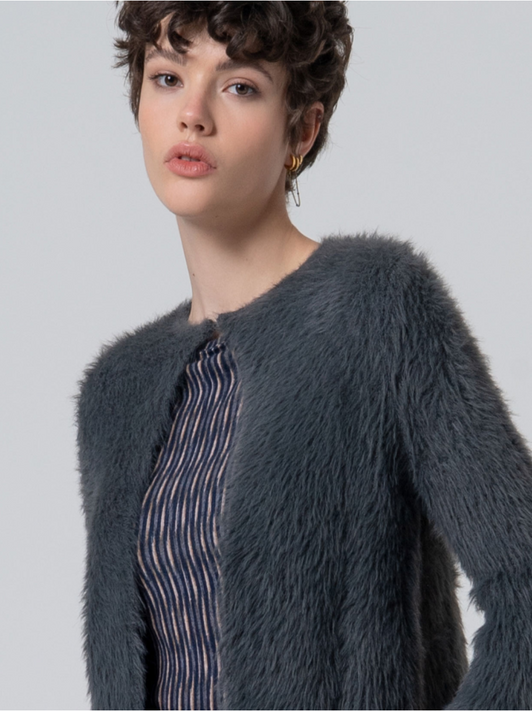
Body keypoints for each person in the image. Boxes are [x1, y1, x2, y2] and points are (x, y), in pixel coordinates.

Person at [75, 2, 532, 710]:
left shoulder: (376, 305)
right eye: (167, 77)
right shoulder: (118, 391)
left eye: (240, 86)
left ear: (302, 128)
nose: (192, 114)